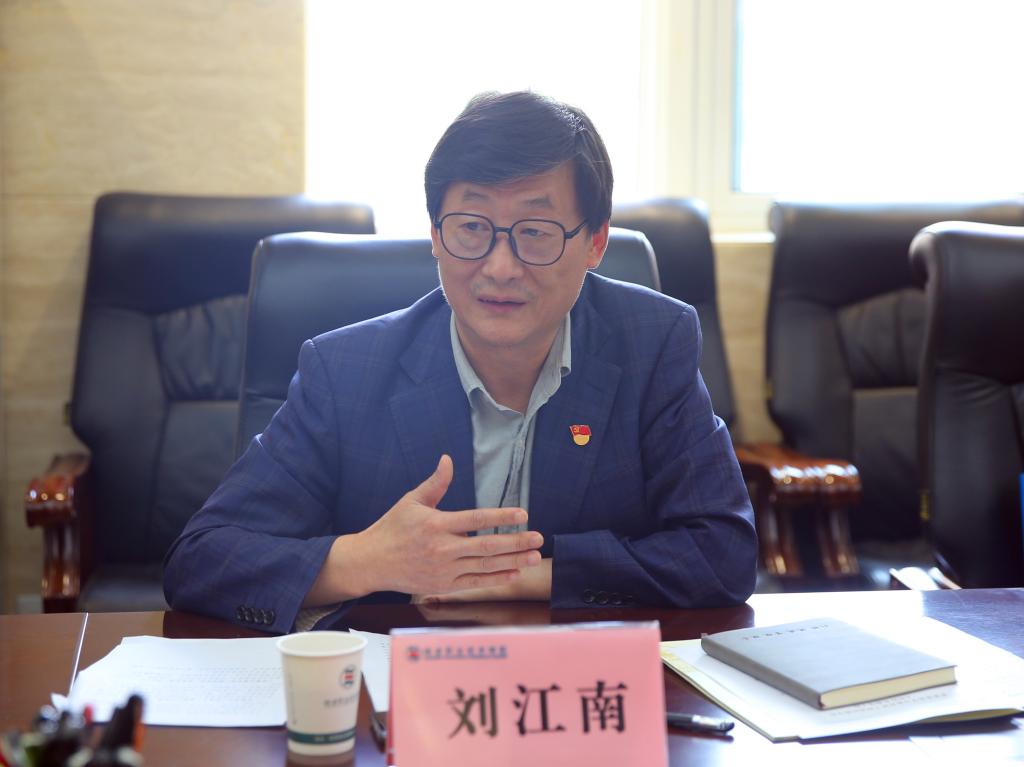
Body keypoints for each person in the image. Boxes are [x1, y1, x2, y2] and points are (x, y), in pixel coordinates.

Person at [163, 91, 757, 633]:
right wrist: (366, 560)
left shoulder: (652, 343)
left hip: (576, 690)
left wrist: (530, 577)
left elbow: (723, 554)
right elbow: (202, 561)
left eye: (536, 231)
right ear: (434, 234)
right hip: (401, 694)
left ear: (595, 242)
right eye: (471, 228)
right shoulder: (345, 371)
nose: (500, 267)